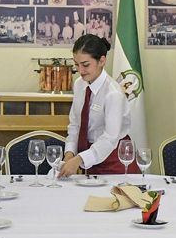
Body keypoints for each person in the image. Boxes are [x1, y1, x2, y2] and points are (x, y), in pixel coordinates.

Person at [59, 34, 139, 177]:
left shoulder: (113, 93)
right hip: (90, 159)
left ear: (102, 61)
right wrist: (69, 153)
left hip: (115, 161)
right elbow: (75, 125)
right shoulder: (79, 85)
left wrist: (79, 159)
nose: (80, 71)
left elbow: (110, 138)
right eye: (76, 64)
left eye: (85, 65)